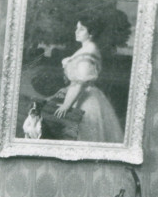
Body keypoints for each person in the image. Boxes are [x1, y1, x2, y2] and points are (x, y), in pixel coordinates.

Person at [51, 14, 124, 143]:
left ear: (91, 33)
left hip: (86, 101)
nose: (76, 32)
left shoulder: (89, 51)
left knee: (83, 137)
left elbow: (80, 83)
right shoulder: (85, 49)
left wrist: (66, 106)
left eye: (81, 29)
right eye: (76, 28)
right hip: (79, 96)